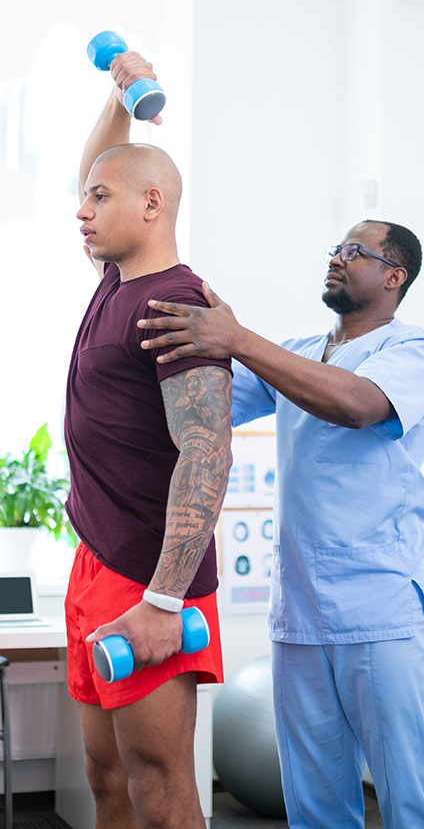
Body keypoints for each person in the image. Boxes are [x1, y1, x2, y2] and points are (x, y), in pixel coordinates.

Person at [82, 53, 424, 829]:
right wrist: (200, 343)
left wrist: (236, 336)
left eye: (357, 250)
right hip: (302, 615)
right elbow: (196, 409)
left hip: (380, 610)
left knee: (409, 797)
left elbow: (355, 404)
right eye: (335, 245)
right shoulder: (299, 349)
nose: (337, 255)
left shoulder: (413, 351)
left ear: (396, 275)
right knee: (315, 802)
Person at [66, 137, 232, 829]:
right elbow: (103, 160)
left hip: (149, 573)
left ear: (152, 203)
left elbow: (206, 451)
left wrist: (164, 599)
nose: (83, 210)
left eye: (100, 198)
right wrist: (124, 90)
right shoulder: (116, 283)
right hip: (94, 561)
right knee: (106, 778)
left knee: (161, 791)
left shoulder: (176, 301)